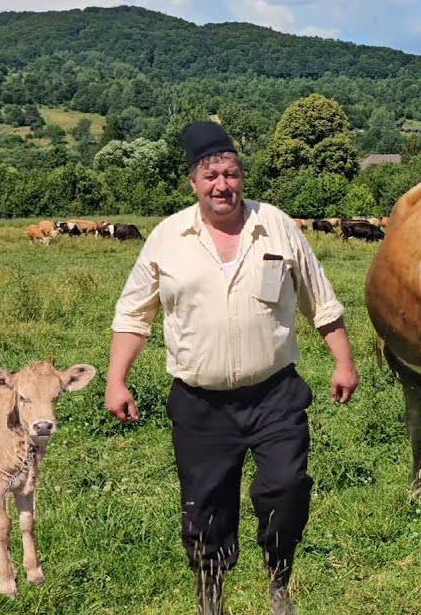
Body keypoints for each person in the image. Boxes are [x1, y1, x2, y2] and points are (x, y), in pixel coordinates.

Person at [104, 121, 359, 615]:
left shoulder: (278, 226)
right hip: (200, 404)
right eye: (210, 176)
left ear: (242, 176)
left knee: (286, 489)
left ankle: (278, 578)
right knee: (205, 509)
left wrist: (343, 361)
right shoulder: (167, 238)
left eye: (231, 173)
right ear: (193, 184)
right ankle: (211, 596)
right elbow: (134, 314)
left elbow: (320, 301)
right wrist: (116, 379)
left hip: (275, 395)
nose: (223, 185)